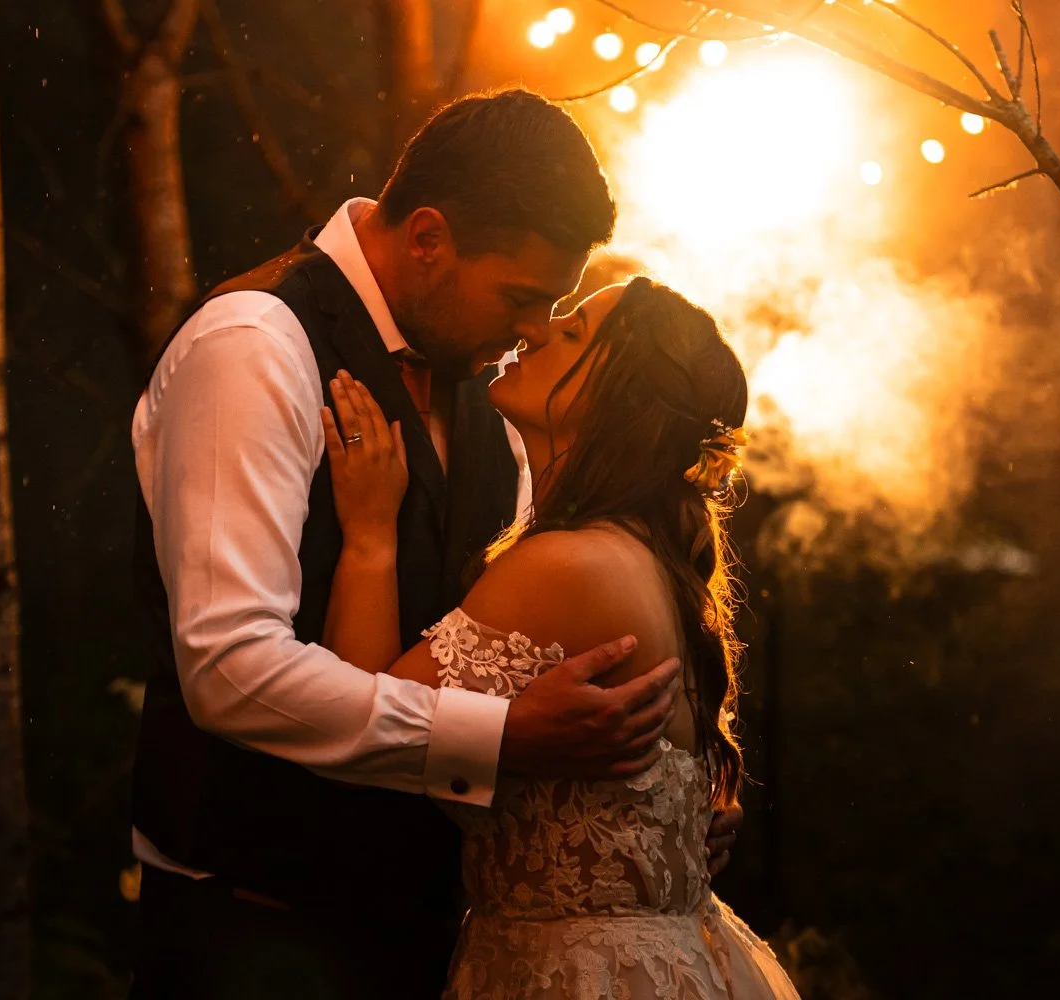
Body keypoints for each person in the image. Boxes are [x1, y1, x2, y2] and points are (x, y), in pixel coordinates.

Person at [127, 90, 742, 999]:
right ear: (427, 239)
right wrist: (501, 736)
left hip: (436, 940)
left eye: (555, 313)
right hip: (256, 932)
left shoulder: (494, 401)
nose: (532, 331)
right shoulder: (255, 346)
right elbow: (231, 668)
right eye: (523, 298)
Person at [318, 277, 800, 999]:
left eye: (573, 332)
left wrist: (368, 537)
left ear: (617, 403)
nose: (538, 329)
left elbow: (356, 723)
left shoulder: (568, 566)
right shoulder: (638, 555)